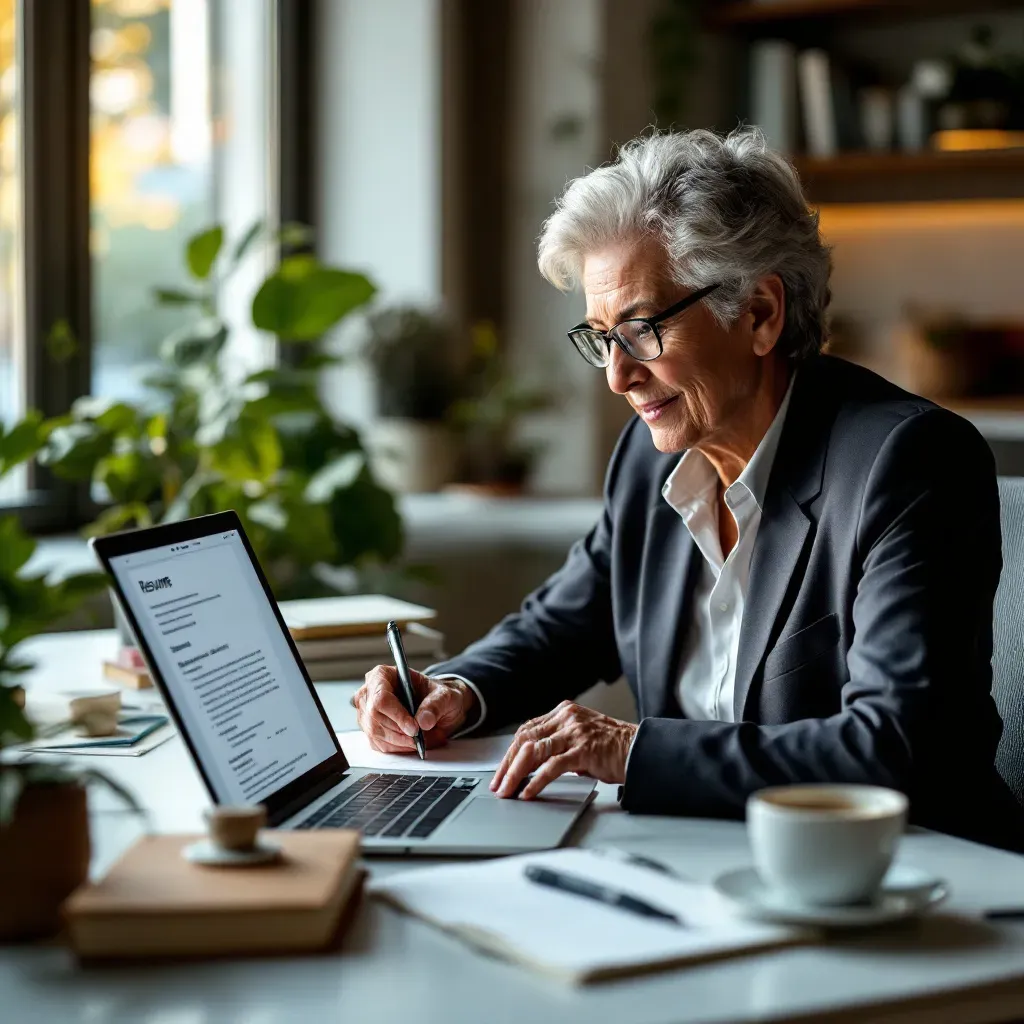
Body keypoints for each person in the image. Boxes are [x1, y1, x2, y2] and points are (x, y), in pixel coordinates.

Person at [353, 126, 1022, 850]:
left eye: (641, 329)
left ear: (760, 314)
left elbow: (892, 745)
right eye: (601, 337)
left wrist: (631, 751)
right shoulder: (652, 460)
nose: (618, 376)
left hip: (908, 875)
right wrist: (453, 692)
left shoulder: (909, 461)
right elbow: (562, 627)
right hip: (698, 858)